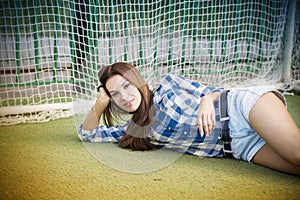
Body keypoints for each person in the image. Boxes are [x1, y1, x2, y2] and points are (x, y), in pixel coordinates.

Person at [78, 62, 300, 176]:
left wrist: (205, 101)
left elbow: (214, 92)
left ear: (137, 81)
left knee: (296, 154)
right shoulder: (134, 131)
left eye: (126, 86)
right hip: (239, 147)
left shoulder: (169, 85)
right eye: (115, 94)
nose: (124, 97)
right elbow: (86, 134)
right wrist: (100, 103)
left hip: (239, 108)